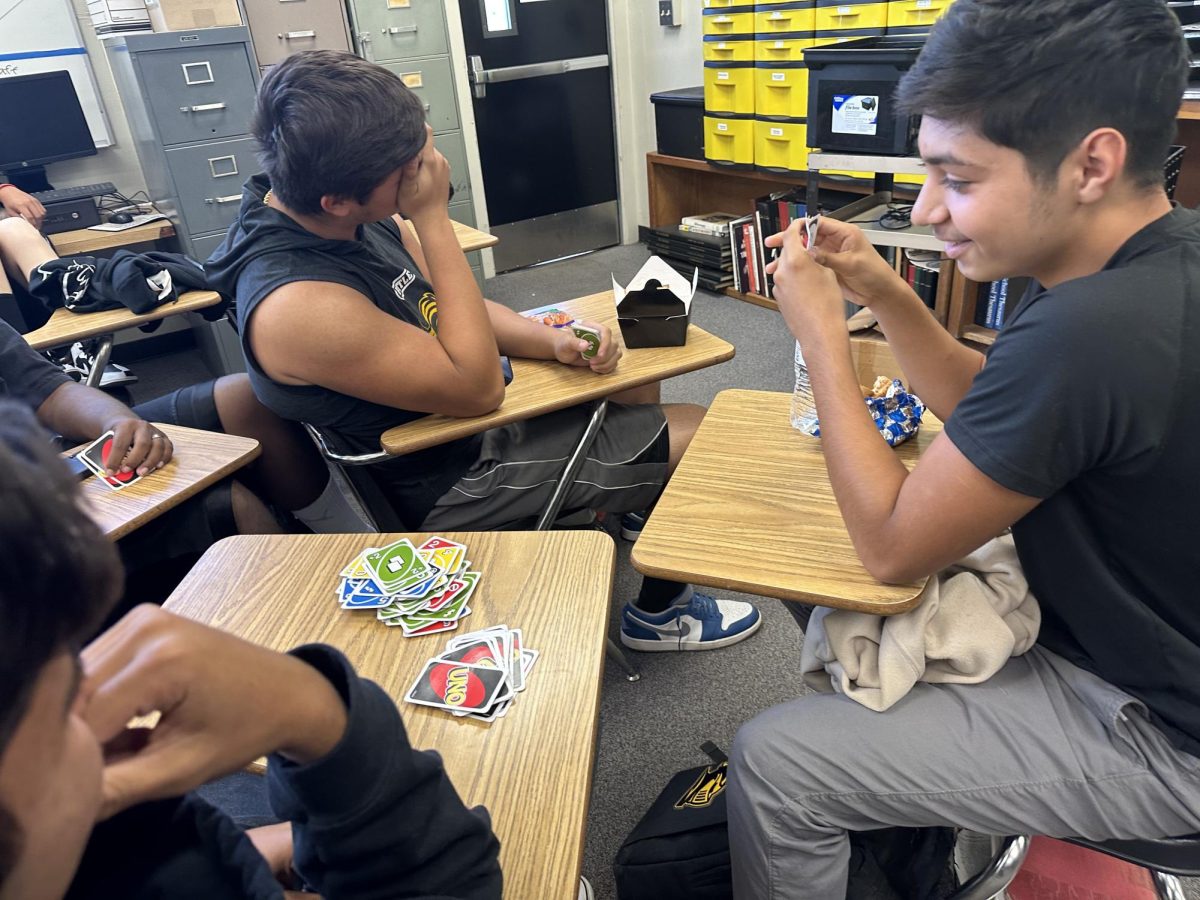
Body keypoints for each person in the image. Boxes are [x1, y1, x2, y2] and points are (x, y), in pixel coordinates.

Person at [727, 0, 1200, 896]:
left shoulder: (1087, 330)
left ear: (1091, 163)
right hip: (1135, 645)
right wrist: (881, 285)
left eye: (959, 178)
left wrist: (824, 338)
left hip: (1166, 739)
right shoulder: (1128, 268)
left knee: (777, 766)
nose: (926, 206)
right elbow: (999, 405)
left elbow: (891, 544)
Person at [205, 50, 761, 653]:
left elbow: (444, 305)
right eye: (410, 167)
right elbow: (477, 390)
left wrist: (551, 339)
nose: (430, 168)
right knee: (702, 434)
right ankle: (662, 616)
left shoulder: (333, 210)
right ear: (338, 198)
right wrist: (433, 218)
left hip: (451, 416)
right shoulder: (299, 304)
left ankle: (634, 497)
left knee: (630, 373)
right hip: (445, 473)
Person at [0, 402, 502, 899]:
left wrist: (234, 855)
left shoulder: (96, 841)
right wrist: (312, 711)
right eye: (65, 704)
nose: (101, 728)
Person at [0, 215, 366, 541]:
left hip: (44, 455)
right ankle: (297, 592)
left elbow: (48, 390)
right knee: (228, 505)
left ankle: (346, 540)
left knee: (243, 400)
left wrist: (117, 420)